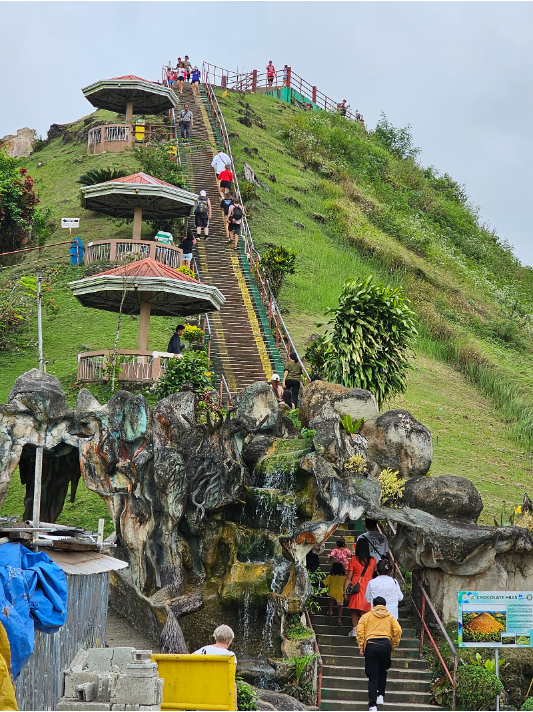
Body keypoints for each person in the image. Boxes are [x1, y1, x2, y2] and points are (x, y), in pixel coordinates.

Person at [357, 596, 402, 712]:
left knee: (373, 676)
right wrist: (393, 643)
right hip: (385, 645)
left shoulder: (366, 616)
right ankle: (381, 695)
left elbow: (360, 631)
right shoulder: (390, 617)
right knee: (383, 671)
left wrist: (361, 646)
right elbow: (398, 630)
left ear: (374, 605)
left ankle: (372, 705)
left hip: (371, 645)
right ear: (384, 606)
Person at [193, 625, 237, 709]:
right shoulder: (230, 655)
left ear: (215, 637)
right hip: (221, 701)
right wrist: (235, 706)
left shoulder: (203, 650)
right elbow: (232, 683)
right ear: (228, 642)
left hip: (202, 697)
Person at [345, 537, 376, 637]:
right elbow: (372, 572)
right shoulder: (373, 560)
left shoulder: (353, 560)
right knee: (365, 609)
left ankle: (355, 629)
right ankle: (365, 630)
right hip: (368, 586)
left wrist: (345, 591)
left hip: (356, 586)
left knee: (354, 609)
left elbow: (348, 578)